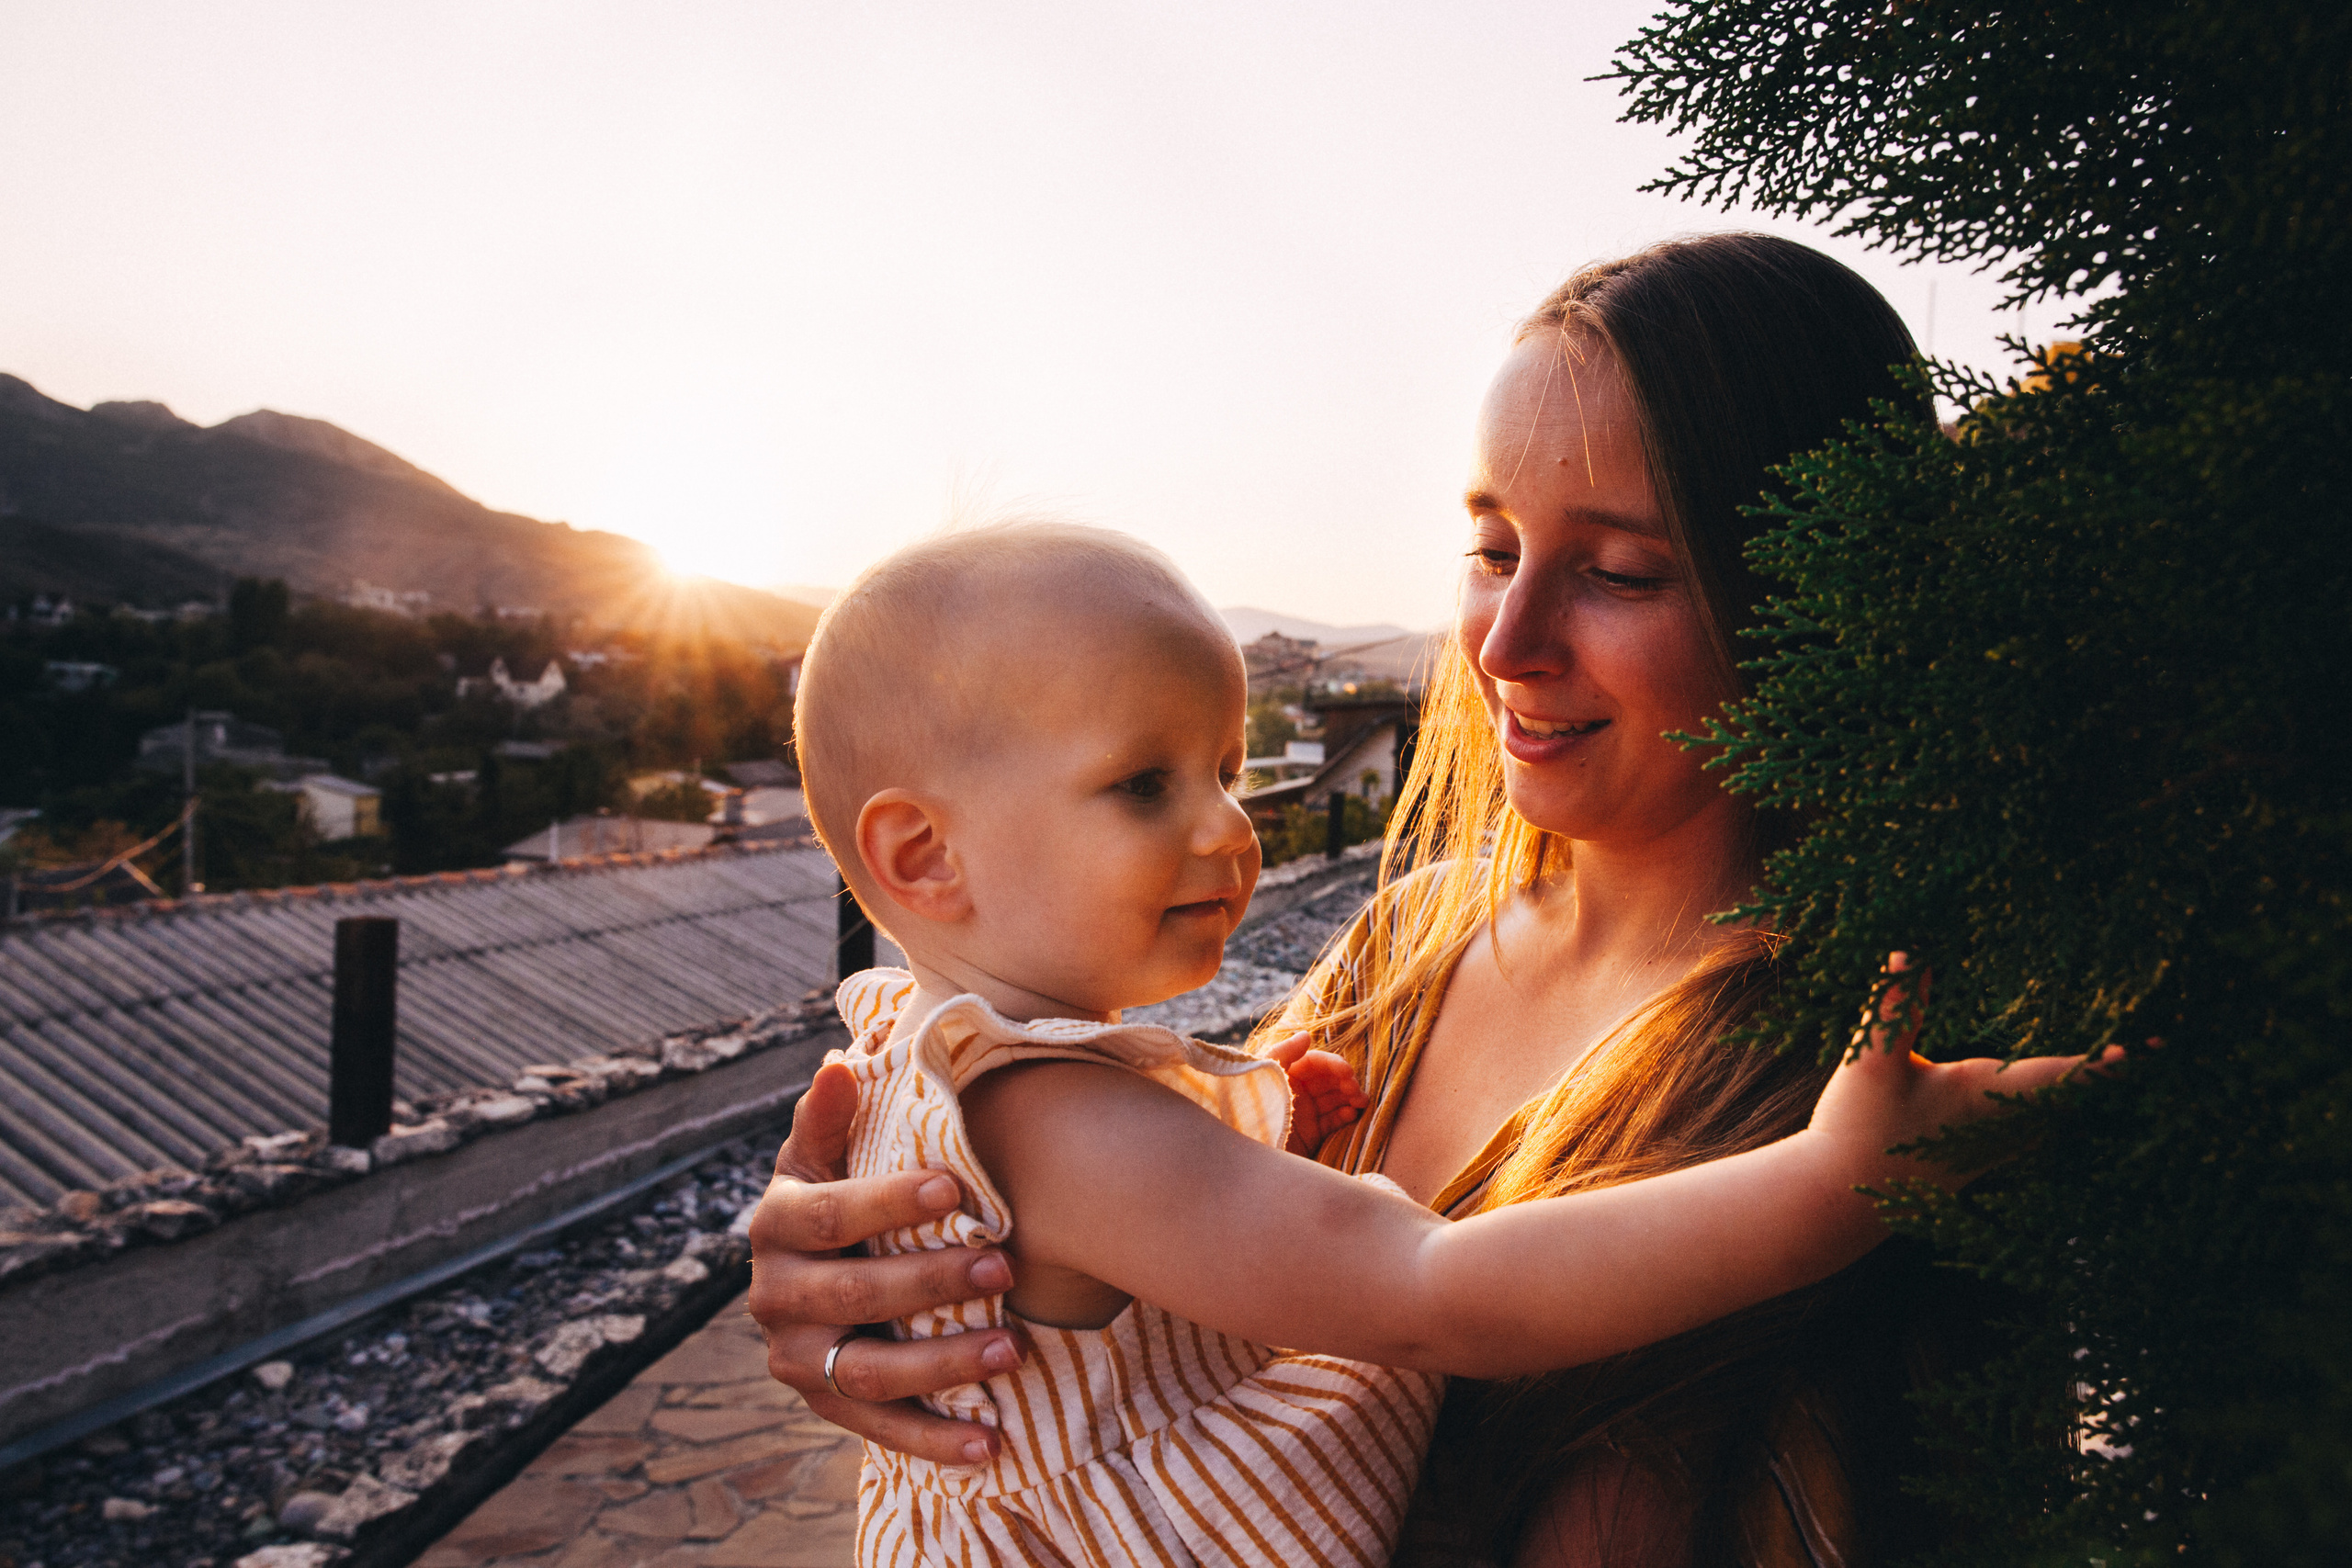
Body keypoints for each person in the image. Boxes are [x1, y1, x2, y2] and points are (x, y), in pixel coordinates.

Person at [750, 236, 2081, 1566]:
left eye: (1620, 570)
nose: (1505, 647)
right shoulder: (1406, 945)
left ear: (1812, 597)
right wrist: (878, 1288)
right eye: (1494, 548)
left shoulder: (1869, 1076)